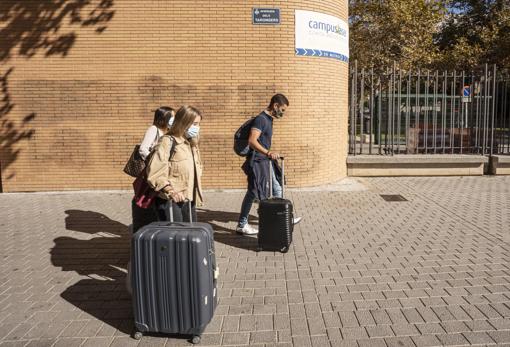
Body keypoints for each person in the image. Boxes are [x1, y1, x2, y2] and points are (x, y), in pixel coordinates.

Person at [236, 94, 301, 235]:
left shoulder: (269, 120)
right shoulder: (261, 120)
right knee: (256, 191)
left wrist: (268, 155)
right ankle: (243, 224)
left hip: (265, 160)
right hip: (259, 161)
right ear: (275, 105)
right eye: (282, 110)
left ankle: (284, 217)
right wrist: (268, 153)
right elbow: (252, 141)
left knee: (274, 188)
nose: (283, 113)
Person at [146, 105, 204, 222]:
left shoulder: (191, 143)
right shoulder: (167, 142)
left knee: (189, 235)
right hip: (171, 200)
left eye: (198, 124)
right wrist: (170, 191)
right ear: (183, 122)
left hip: (188, 199)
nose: (197, 128)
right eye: (194, 124)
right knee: (174, 236)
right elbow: (155, 172)